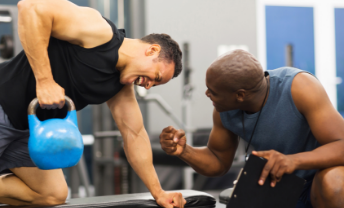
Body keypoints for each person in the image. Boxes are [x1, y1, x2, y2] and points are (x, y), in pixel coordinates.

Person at [0, 0, 186, 207]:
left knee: (52, 194)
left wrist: (158, 192)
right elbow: (30, 7)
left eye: (155, 84)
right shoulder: (98, 32)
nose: (149, 86)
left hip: (27, 131)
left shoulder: (120, 88)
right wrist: (45, 81)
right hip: (2, 106)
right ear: (152, 50)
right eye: (156, 77)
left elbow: (135, 135)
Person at [160, 49, 344, 208]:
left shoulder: (300, 87)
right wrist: (184, 151)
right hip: (276, 186)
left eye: (213, 92)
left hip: (315, 183)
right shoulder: (224, 108)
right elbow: (218, 161)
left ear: (240, 95)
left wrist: (293, 161)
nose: (207, 94)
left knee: (335, 181)